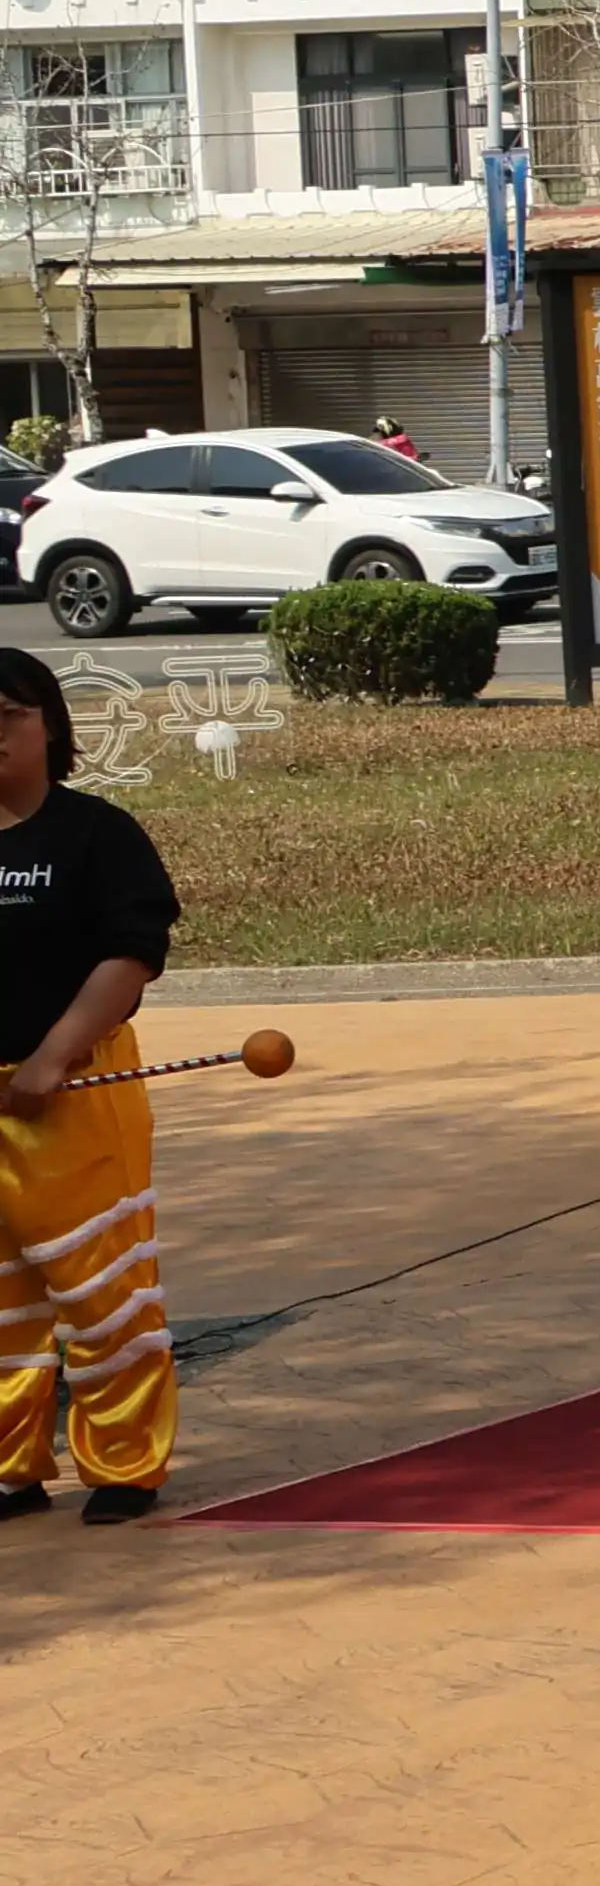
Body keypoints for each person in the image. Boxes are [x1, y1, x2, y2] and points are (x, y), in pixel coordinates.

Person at [0, 646, 178, 1521]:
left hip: (73, 1093)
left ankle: (124, 1463)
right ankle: (10, 1468)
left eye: (8, 717)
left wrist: (53, 1055)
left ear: (50, 728)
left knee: (99, 1289)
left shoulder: (97, 836)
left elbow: (130, 955)